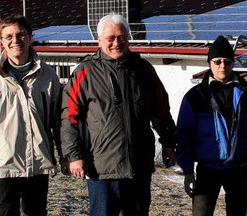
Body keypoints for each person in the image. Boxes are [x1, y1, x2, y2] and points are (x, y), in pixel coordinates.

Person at [60, 14, 176, 216]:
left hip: (138, 165)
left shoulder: (144, 70)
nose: (116, 43)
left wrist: (169, 143)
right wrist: (74, 156)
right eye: (110, 38)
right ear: (99, 40)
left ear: (128, 38)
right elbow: (69, 118)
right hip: (102, 167)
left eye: (121, 37)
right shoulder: (84, 72)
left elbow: (161, 111)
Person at [0, 15, 64, 216]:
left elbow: (60, 121)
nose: (15, 41)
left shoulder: (48, 75)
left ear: (30, 38)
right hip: (2, 164)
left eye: (21, 35)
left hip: (38, 165)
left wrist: (66, 154)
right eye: (9, 36)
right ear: (1, 41)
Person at [176, 35, 247, 216]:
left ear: (233, 63)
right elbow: (185, 135)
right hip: (208, 168)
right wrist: (187, 170)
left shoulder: (246, 94)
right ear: (209, 63)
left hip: (238, 169)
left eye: (227, 61)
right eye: (217, 62)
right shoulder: (196, 96)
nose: (222, 66)